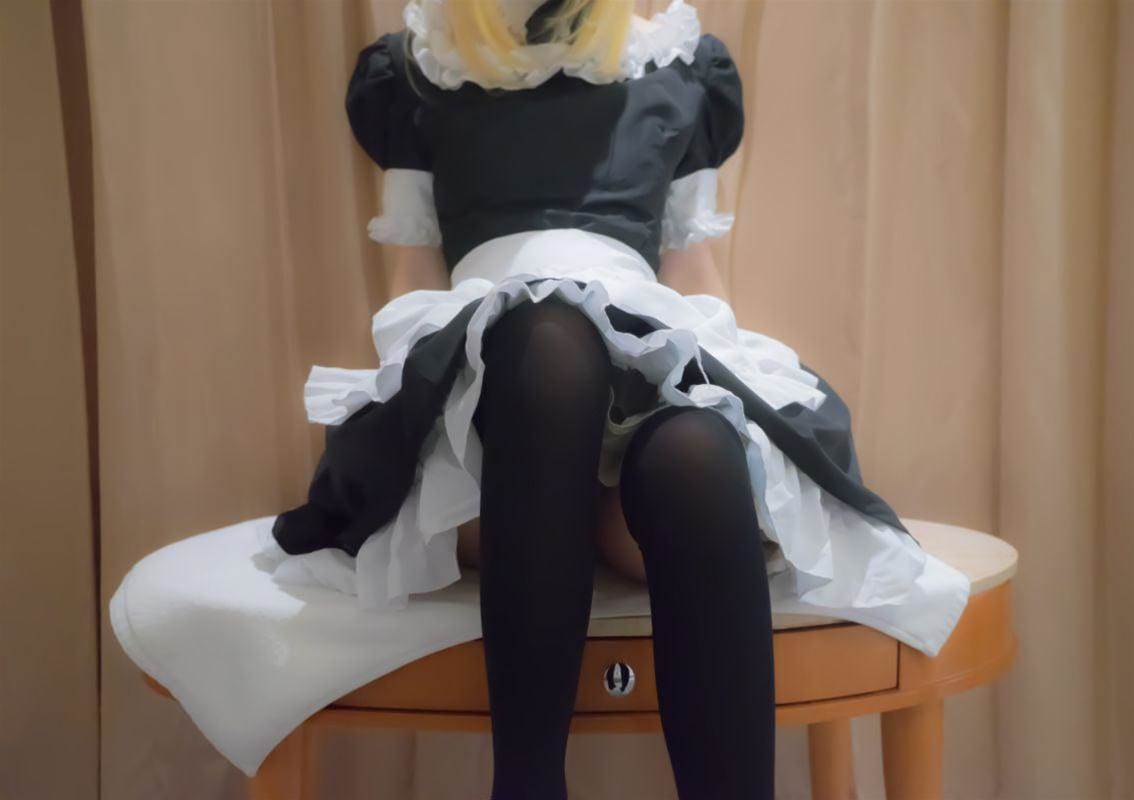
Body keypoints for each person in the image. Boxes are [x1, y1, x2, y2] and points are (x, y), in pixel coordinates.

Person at [266, 1, 972, 797]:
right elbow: (413, 280)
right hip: (494, 413)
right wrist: (411, 402)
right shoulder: (421, 66)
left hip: (638, 338)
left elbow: (692, 276)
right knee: (549, 340)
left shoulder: (675, 62)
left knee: (695, 456)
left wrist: (719, 382)